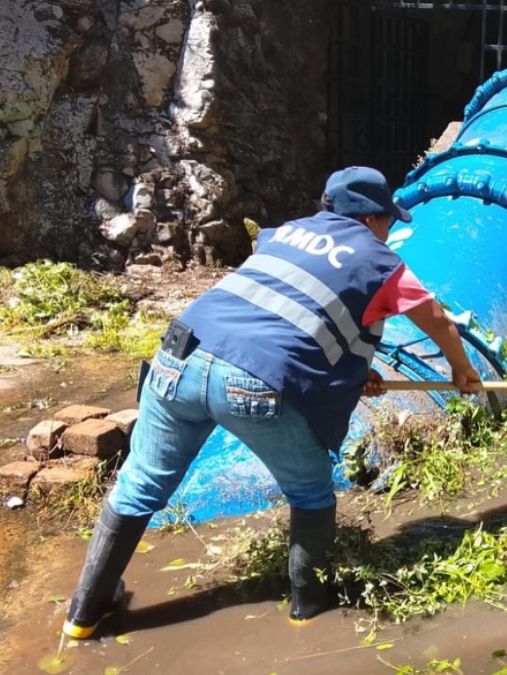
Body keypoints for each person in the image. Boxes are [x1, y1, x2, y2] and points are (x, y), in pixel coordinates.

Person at [62, 166, 482, 638]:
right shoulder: (381, 263)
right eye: (388, 220)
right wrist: (462, 372)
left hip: (177, 357)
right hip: (254, 381)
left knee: (139, 486)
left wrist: (351, 373)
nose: (390, 230)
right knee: (311, 493)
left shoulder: (280, 234)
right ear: (369, 219)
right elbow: (438, 320)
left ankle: (84, 615)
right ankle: (307, 616)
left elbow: (288, 309)